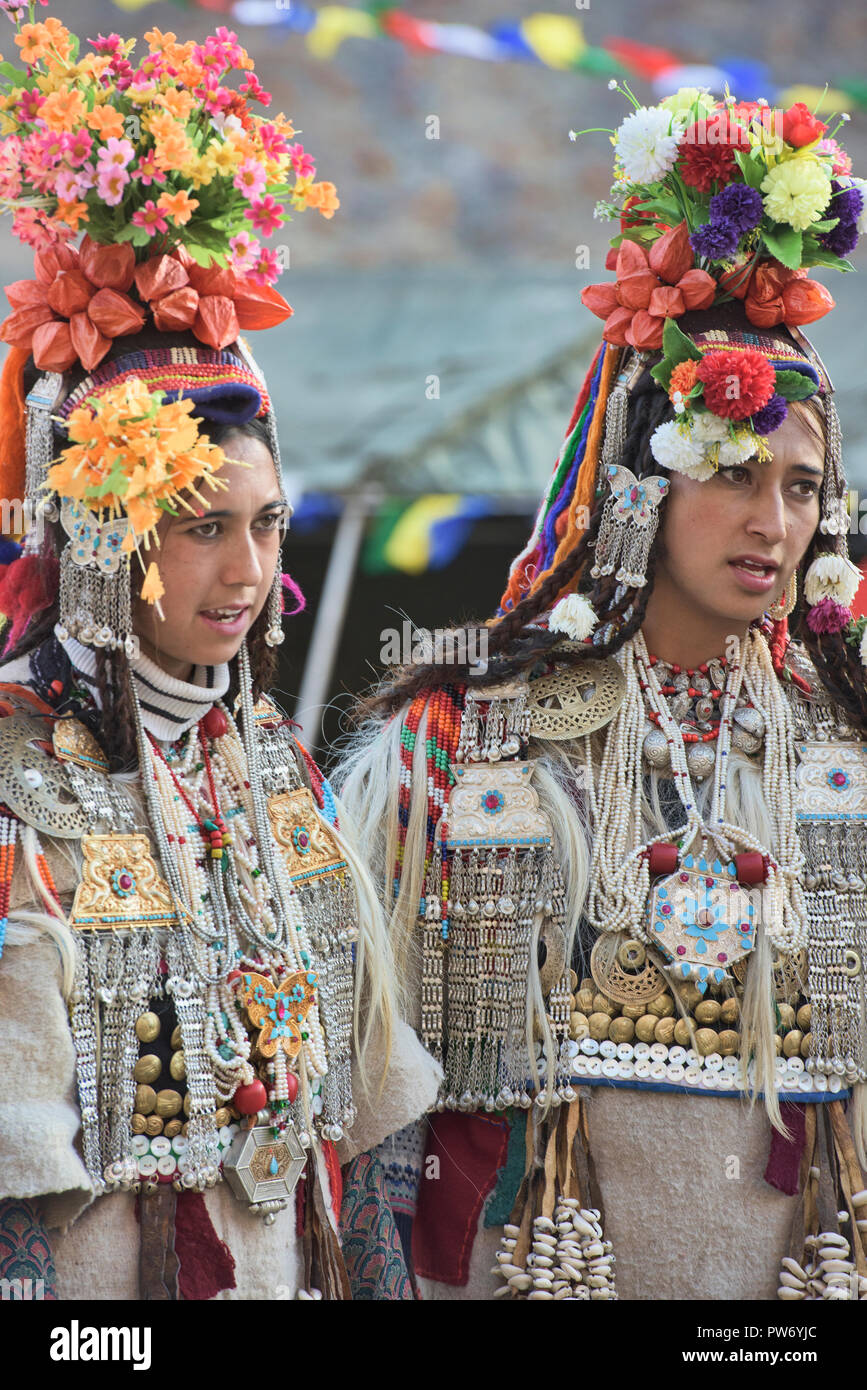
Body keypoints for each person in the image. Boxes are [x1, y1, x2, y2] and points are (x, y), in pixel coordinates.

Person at [335, 87, 867, 1300]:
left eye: (800, 488)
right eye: (734, 475)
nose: (772, 523)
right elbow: (376, 1114)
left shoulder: (840, 745)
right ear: (636, 488)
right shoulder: (467, 747)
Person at [0, 14, 438, 1301]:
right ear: (101, 534)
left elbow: (363, 1103)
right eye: (201, 531)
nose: (248, 574)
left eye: (263, 527)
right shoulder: (18, 773)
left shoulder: (276, 771)